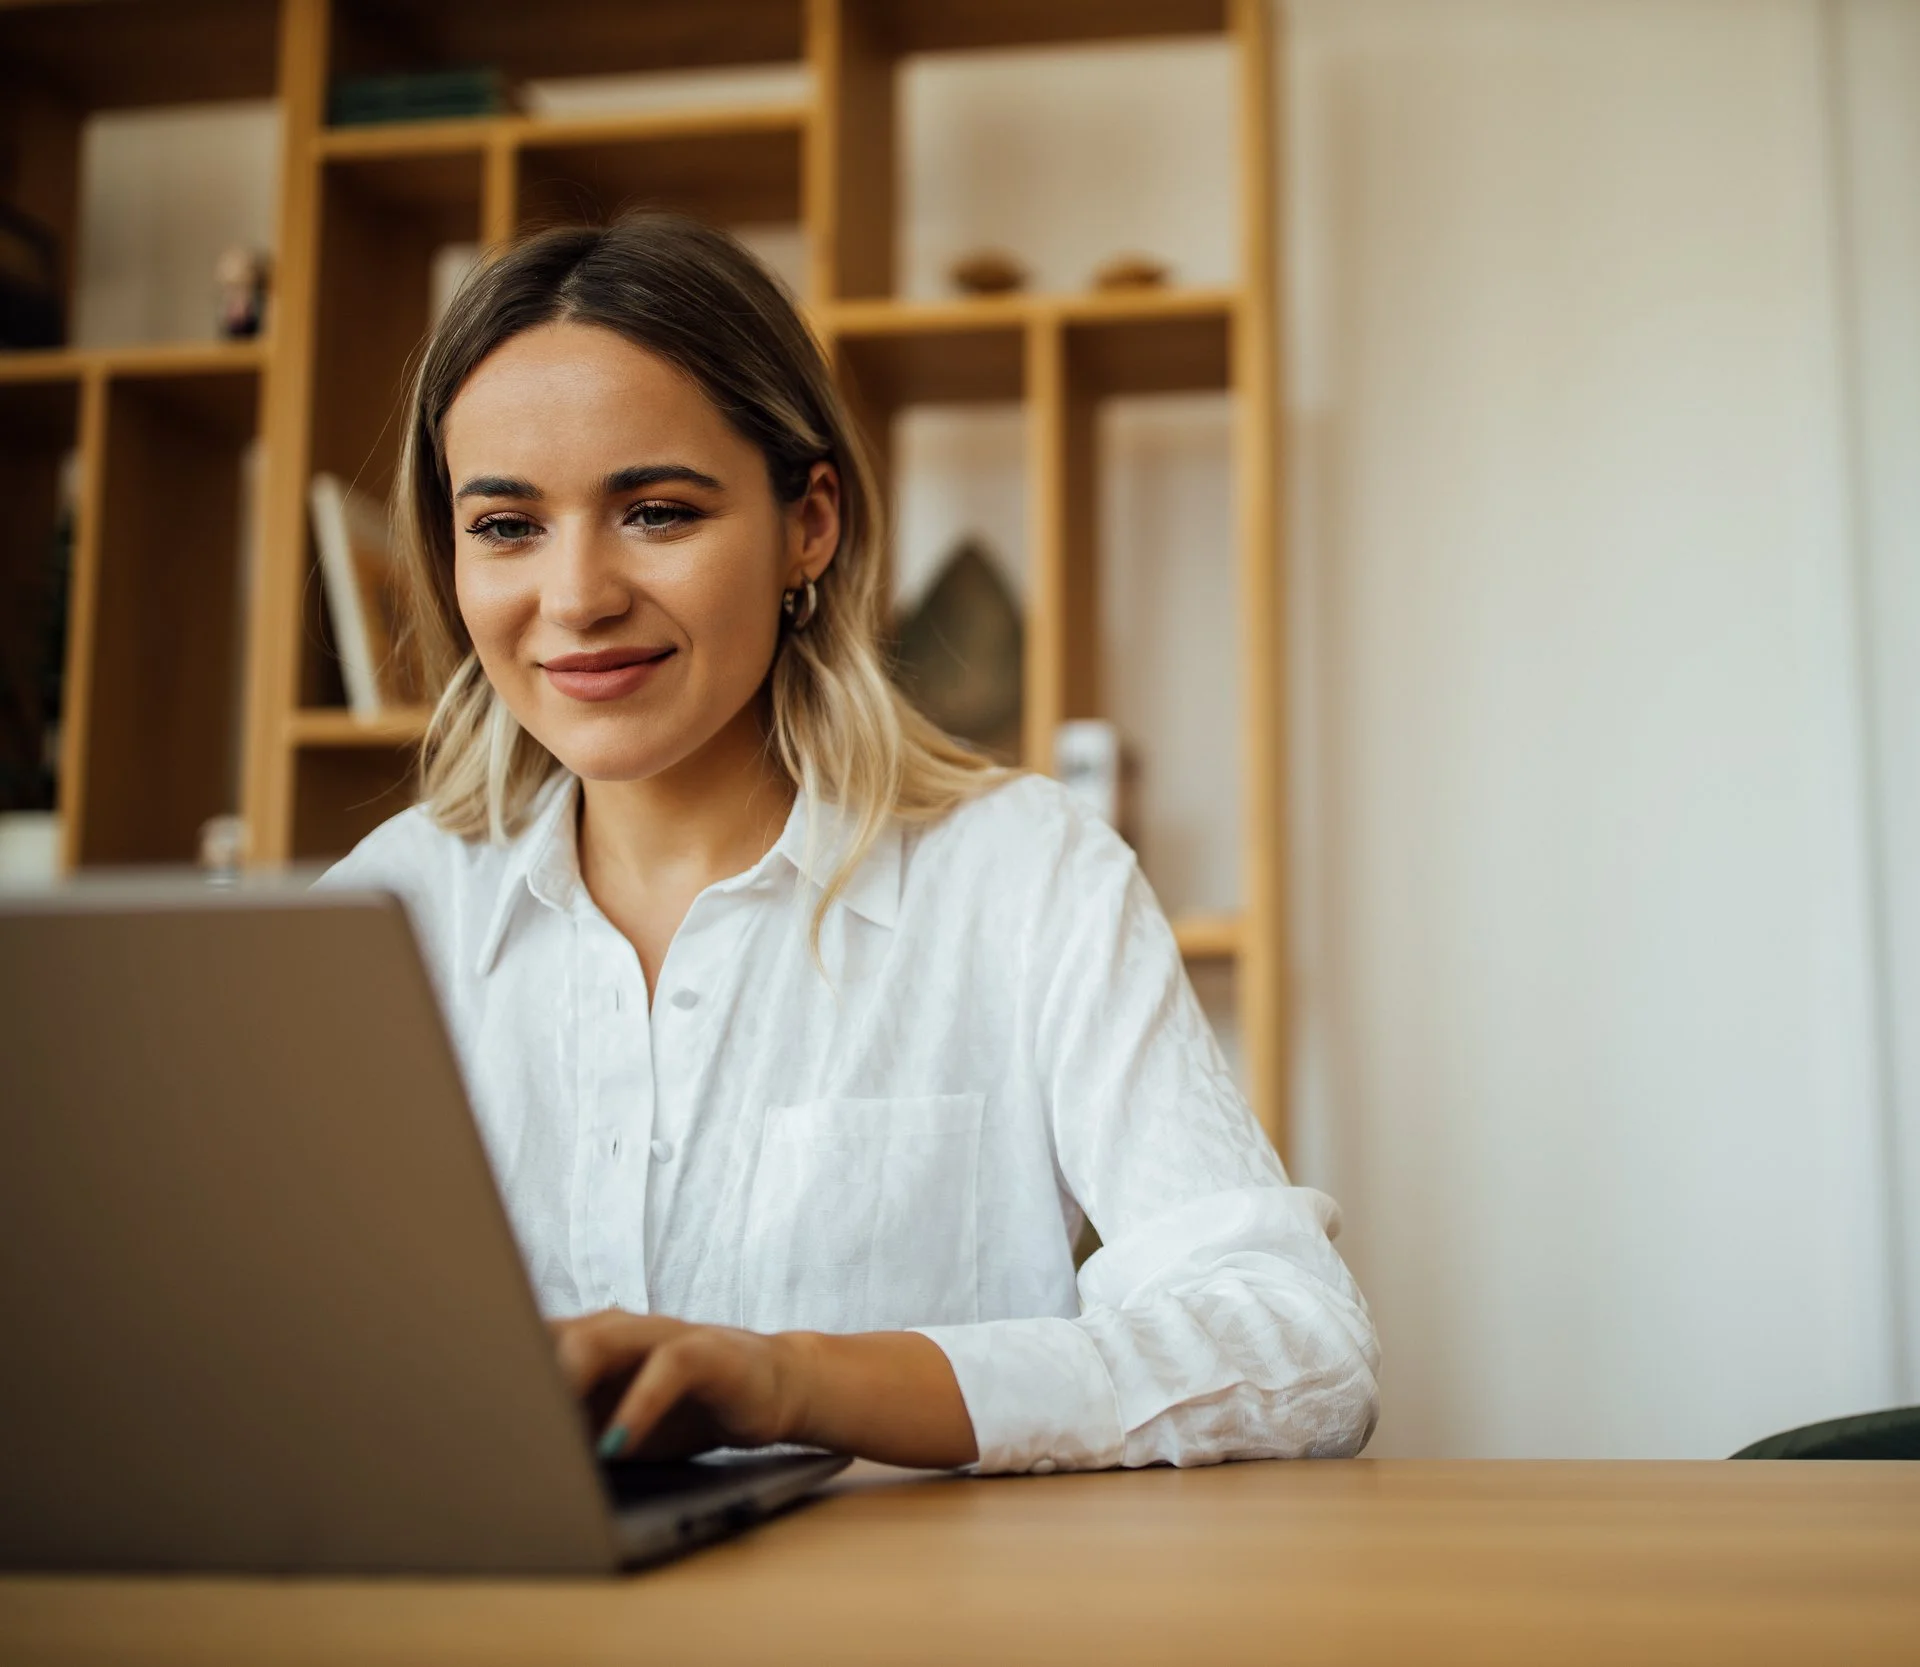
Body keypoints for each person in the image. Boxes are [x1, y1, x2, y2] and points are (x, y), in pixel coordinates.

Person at [315, 213, 1377, 1475]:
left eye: (655, 510)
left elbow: (1299, 1349)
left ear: (807, 523)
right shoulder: (375, 914)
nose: (577, 595)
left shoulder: (1023, 876)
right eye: (505, 525)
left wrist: (798, 1378)